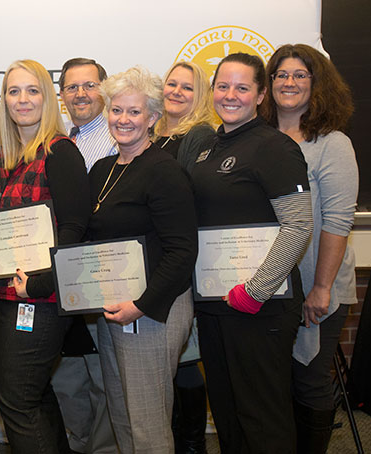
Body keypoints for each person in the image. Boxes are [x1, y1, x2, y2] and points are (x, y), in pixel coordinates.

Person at [190, 52, 313, 454]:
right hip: (214, 304)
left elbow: (298, 226)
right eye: (223, 86)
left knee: (262, 418)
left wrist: (255, 291)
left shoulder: (274, 147)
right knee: (227, 412)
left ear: (261, 95)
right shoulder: (206, 146)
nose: (230, 95)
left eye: (242, 87)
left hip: (258, 307)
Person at [87, 66, 197, 453]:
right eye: (117, 110)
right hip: (113, 308)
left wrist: (142, 305)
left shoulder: (165, 171)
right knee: (121, 414)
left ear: (152, 118)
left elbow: (183, 250)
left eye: (134, 112)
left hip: (152, 311)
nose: (123, 120)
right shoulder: (102, 170)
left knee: (148, 425)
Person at [0, 59, 90, 453]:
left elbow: (75, 229)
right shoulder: (4, 157)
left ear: (48, 98)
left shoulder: (60, 153)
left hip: (39, 300)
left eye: (32, 90)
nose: (22, 99)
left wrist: (41, 282)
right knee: (33, 396)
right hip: (1, 299)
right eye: (13, 91)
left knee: (18, 401)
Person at [260, 43, 358, 453]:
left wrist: (321, 288)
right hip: (268, 286)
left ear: (317, 85)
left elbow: (337, 221)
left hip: (317, 285)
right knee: (274, 384)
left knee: (310, 380)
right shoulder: (258, 139)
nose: (289, 82)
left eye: (301, 75)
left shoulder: (331, 144)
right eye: (281, 74)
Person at [53, 56, 117, 454]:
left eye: (89, 85)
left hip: (101, 274)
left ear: (104, 90)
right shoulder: (62, 141)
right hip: (64, 278)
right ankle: (81, 445)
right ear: (61, 96)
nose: (80, 94)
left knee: (105, 377)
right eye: (72, 87)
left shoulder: (116, 137)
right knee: (69, 377)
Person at [153, 60, 216, 454]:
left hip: (180, 259)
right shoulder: (151, 130)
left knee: (185, 357)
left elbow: (187, 196)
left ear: (202, 95)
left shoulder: (198, 133)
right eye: (171, 84)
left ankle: (192, 445)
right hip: (153, 257)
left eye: (187, 88)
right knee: (168, 361)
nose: (176, 92)